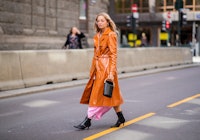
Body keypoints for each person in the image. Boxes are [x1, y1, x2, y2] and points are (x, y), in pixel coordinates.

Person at [74, 12, 125, 130]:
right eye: (98, 20)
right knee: (110, 95)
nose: (100, 22)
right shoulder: (97, 35)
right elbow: (95, 54)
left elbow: (113, 55)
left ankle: (87, 120)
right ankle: (121, 117)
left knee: (97, 96)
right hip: (98, 68)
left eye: (102, 20)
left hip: (107, 69)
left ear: (107, 22)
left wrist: (111, 73)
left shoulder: (111, 35)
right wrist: (93, 70)